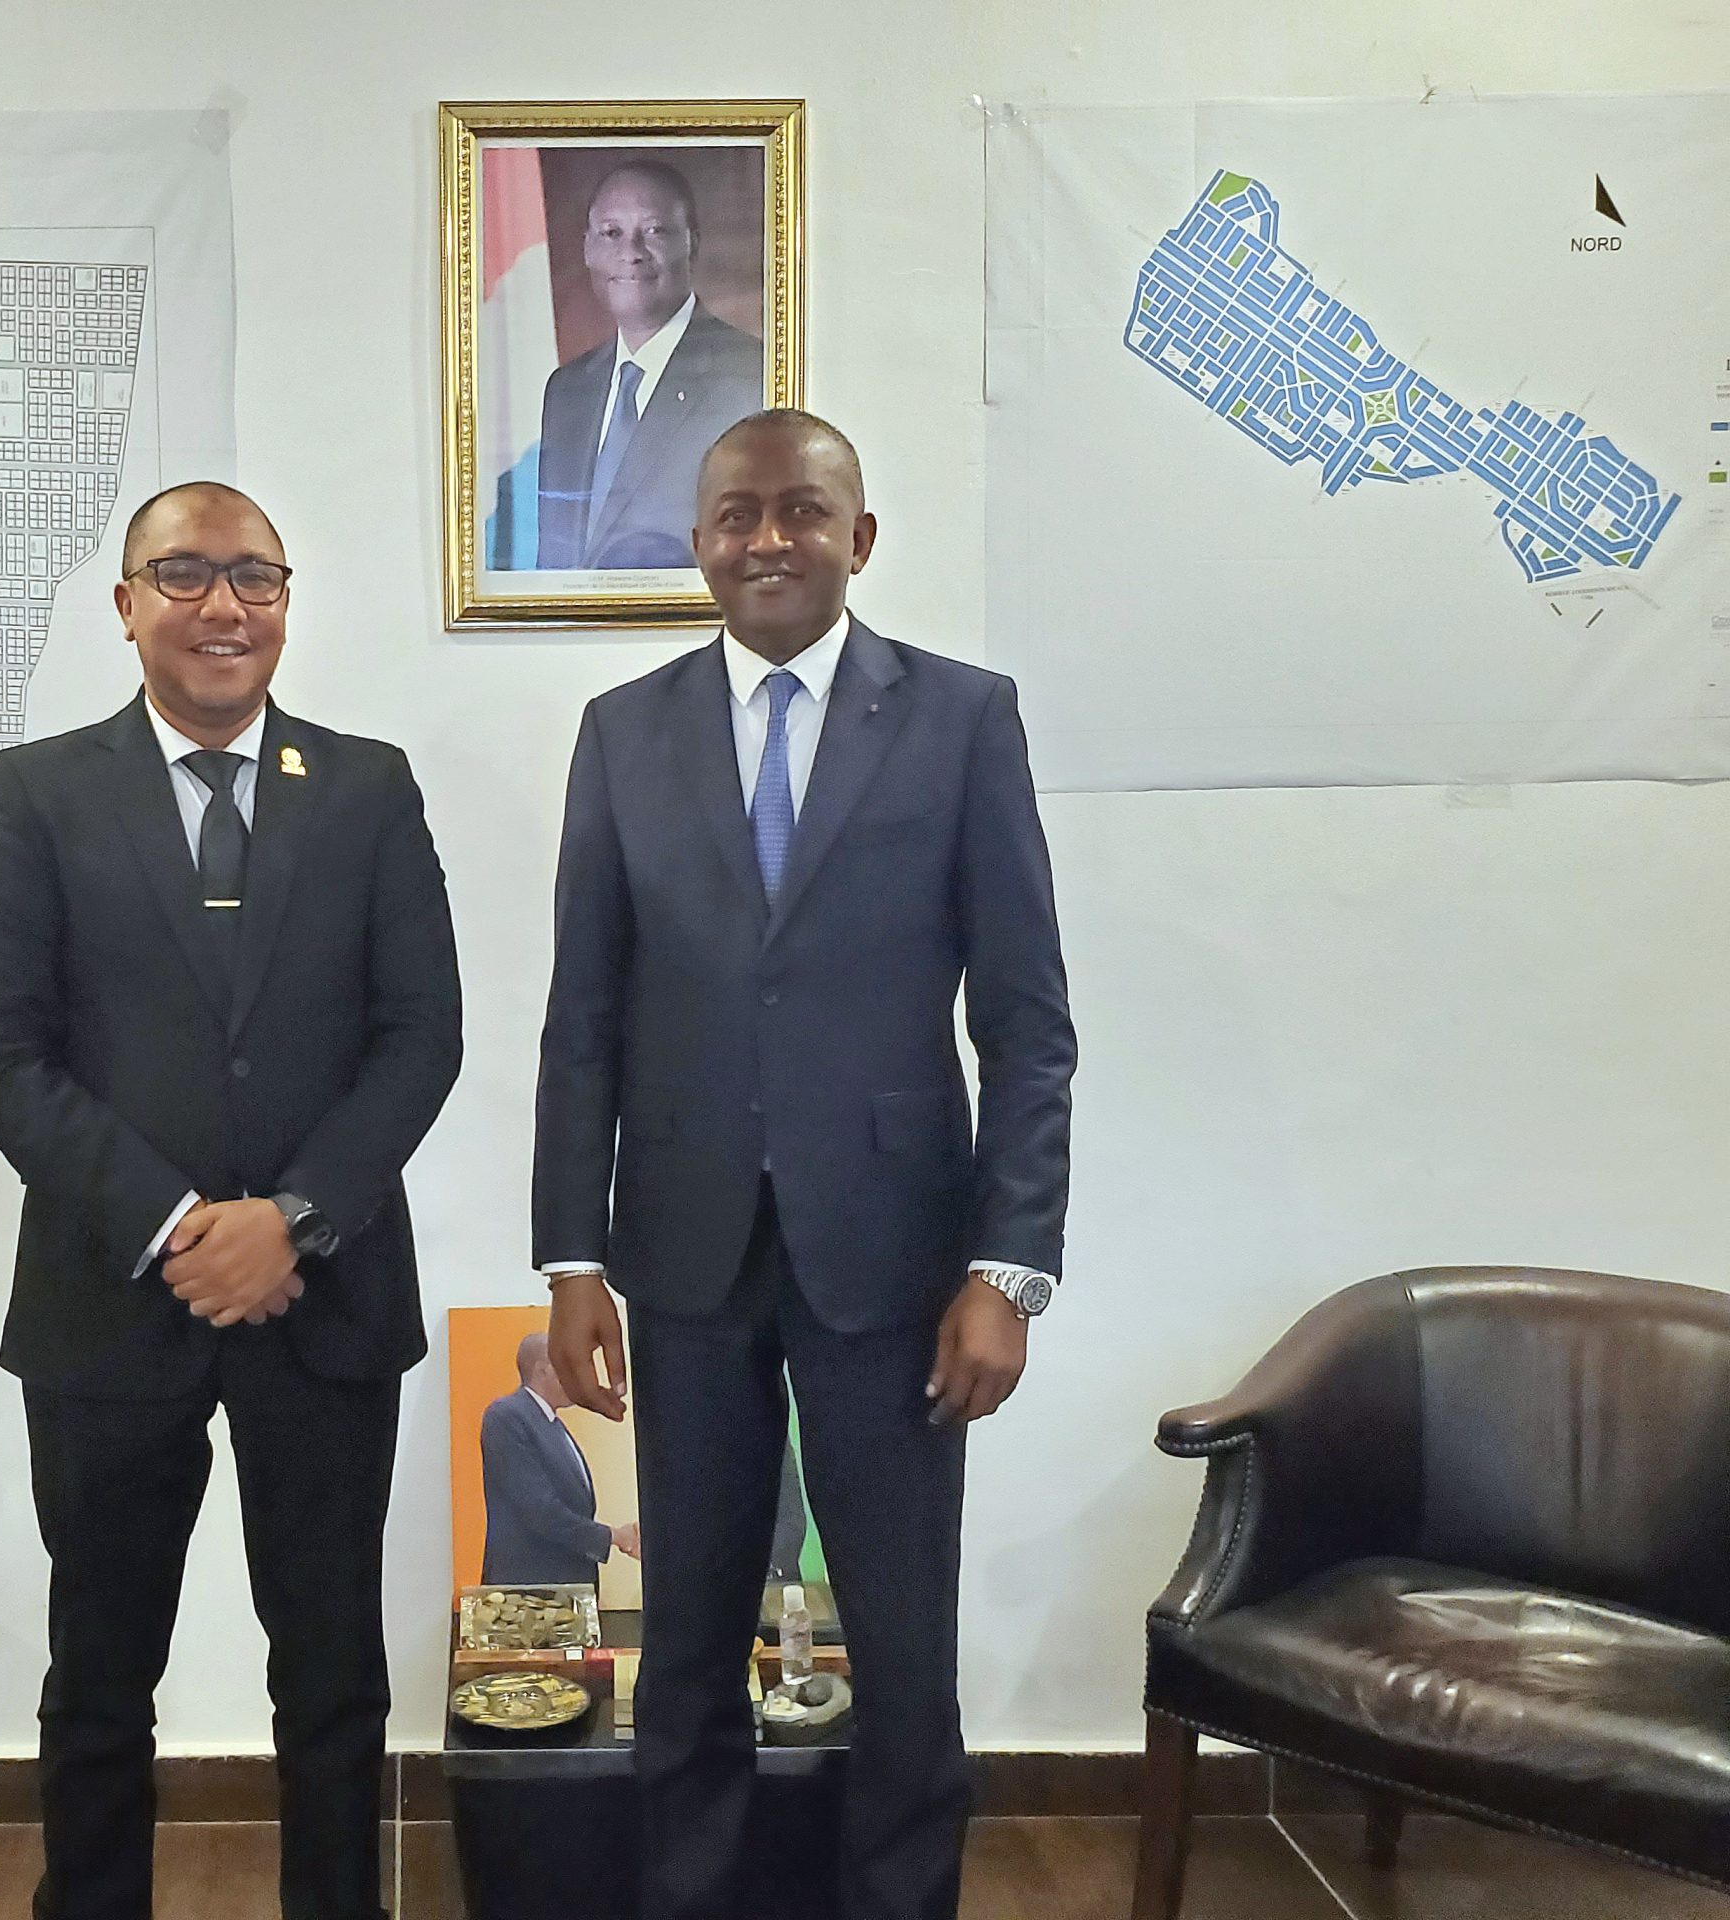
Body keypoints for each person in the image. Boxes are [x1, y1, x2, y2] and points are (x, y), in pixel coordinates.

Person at [532, 410, 1075, 1920]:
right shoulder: (624, 732)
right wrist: (572, 1259)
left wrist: (1009, 1267)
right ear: (696, 540)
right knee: (687, 1639)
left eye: (801, 512)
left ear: (859, 537)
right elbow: (583, 1019)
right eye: (736, 515)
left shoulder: (961, 719)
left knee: (901, 1642)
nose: (767, 539)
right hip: (684, 1252)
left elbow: (1027, 1023)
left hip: (898, 1260)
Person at [0, 481, 463, 1920]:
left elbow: (421, 1038)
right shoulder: (40, 793)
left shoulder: (366, 789)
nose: (222, 605)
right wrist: (183, 1227)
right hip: (109, 1307)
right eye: (183, 574)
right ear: (126, 605)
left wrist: (289, 1220)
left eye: (255, 577)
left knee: (333, 1670)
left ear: (286, 604)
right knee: (101, 1669)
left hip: (328, 1298)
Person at [534, 160, 764, 572]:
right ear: (587, 248)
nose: (631, 253)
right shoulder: (567, 390)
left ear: (692, 243)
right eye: (611, 233)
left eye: (655, 231)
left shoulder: (750, 375)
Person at [479, 1331, 639, 1587]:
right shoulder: (507, 1417)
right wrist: (614, 1536)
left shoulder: (552, 1425)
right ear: (543, 1370)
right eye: (569, 1366)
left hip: (566, 1586)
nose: (577, 1378)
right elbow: (539, 1509)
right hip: (531, 1590)